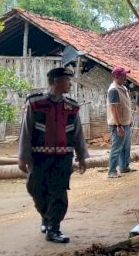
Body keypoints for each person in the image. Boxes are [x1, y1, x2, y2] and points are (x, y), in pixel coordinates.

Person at [18, 67, 88, 243]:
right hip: (38, 157)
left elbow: (78, 133)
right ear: (56, 81)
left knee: (58, 192)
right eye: (67, 80)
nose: (70, 84)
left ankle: (53, 228)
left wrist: (81, 156)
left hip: (63, 157)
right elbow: (25, 131)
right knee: (35, 188)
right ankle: (47, 217)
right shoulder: (35, 103)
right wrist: (23, 156)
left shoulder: (71, 106)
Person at [106, 66, 133, 179]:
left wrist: (128, 120)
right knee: (117, 147)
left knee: (126, 146)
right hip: (118, 124)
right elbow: (114, 109)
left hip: (125, 122)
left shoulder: (123, 87)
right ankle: (112, 171)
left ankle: (124, 167)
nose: (125, 77)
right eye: (123, 75)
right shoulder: (113, 90)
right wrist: (118, 125)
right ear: (116, 76)